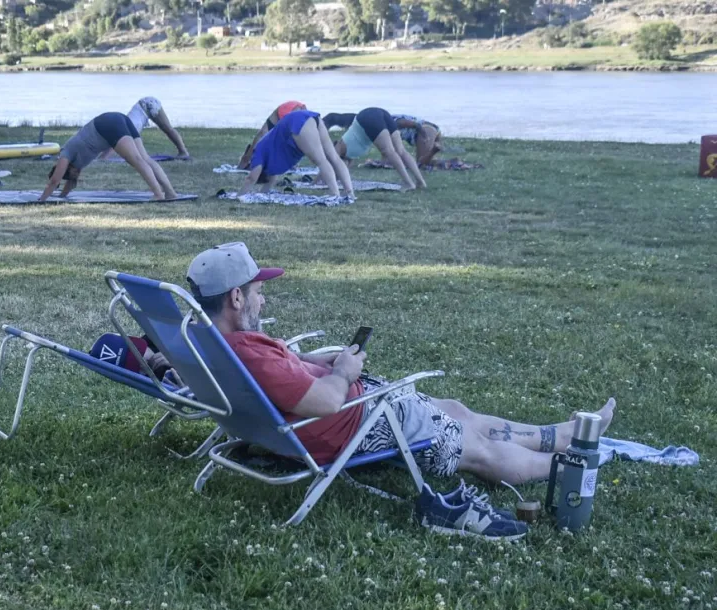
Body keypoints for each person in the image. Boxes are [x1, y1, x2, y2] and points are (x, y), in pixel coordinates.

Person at [184, 242, 617, 539]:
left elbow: (286, 373)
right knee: (475, 448)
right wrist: (346, 370)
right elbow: (327, 401)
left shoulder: (208, 342)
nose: (264, 301)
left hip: (335, 416)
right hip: (355, 421)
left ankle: (554, 434)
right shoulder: (252, 356)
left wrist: (320, 363)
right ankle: (565, 462)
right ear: (237, 298)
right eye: (259, 292)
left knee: (455, 409)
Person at [40, 111, 177, 202]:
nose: (76, 174)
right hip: (117, 119)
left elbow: (54, 180)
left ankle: (159, 194)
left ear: (66, 169)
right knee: (144, 159)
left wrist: (41, 200)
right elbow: (70, 183)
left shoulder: (66, 153)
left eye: (70, 173)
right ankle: (170, 193)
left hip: (107, 127)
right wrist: (62, 196)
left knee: (137, 160)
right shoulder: (76, 163)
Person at [238, 109, 354, 198]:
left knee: (321, 160)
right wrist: (262, 193)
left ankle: (335, 195)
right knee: (333, 157)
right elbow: (270, 181)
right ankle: (349, 192)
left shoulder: (257, 155)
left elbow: (251, 178)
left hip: (296, 124)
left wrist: (240, 195)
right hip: (309, 117)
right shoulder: (271, 166)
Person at [333, 108, 427, 191]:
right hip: (380, 113)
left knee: (389, 151)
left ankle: (409, 183)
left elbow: (332, 162)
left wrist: (319, 182)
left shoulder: (338, 147)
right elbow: (343, 170)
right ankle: (420, 182)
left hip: (367, 118)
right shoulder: (349, 155)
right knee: (400, 151)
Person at [237, 100, 307, 169]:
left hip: (289, 107)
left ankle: (245, 160)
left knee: (264, 135)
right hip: (289, 108)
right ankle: (246, 160)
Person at [123, 96, 190, 159]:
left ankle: (183, 152)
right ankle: (183, 151)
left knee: (167, 129)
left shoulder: (126, 132)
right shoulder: (125, 131)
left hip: (148, 104)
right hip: (144, 105)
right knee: (168, 129)